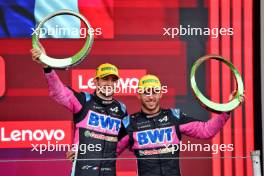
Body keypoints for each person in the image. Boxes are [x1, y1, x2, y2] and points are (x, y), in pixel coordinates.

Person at [117, 74, 244, 176]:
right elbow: (109, 152)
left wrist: (228, 108)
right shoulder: (130, 123)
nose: (151, 97)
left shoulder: (174, 117)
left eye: (155, 91)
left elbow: (207, 131)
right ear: (138, 95)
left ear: (161, 93)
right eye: (146, 92)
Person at [31, 46, 127, 176]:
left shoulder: (121, 109)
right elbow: (59, 92)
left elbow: (125, 139)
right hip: (83, 171)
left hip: (108, 172)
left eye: (113, 80)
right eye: (105, 79)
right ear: (96, 81)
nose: (109, 83)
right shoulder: (84, 100)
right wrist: (47, 66)